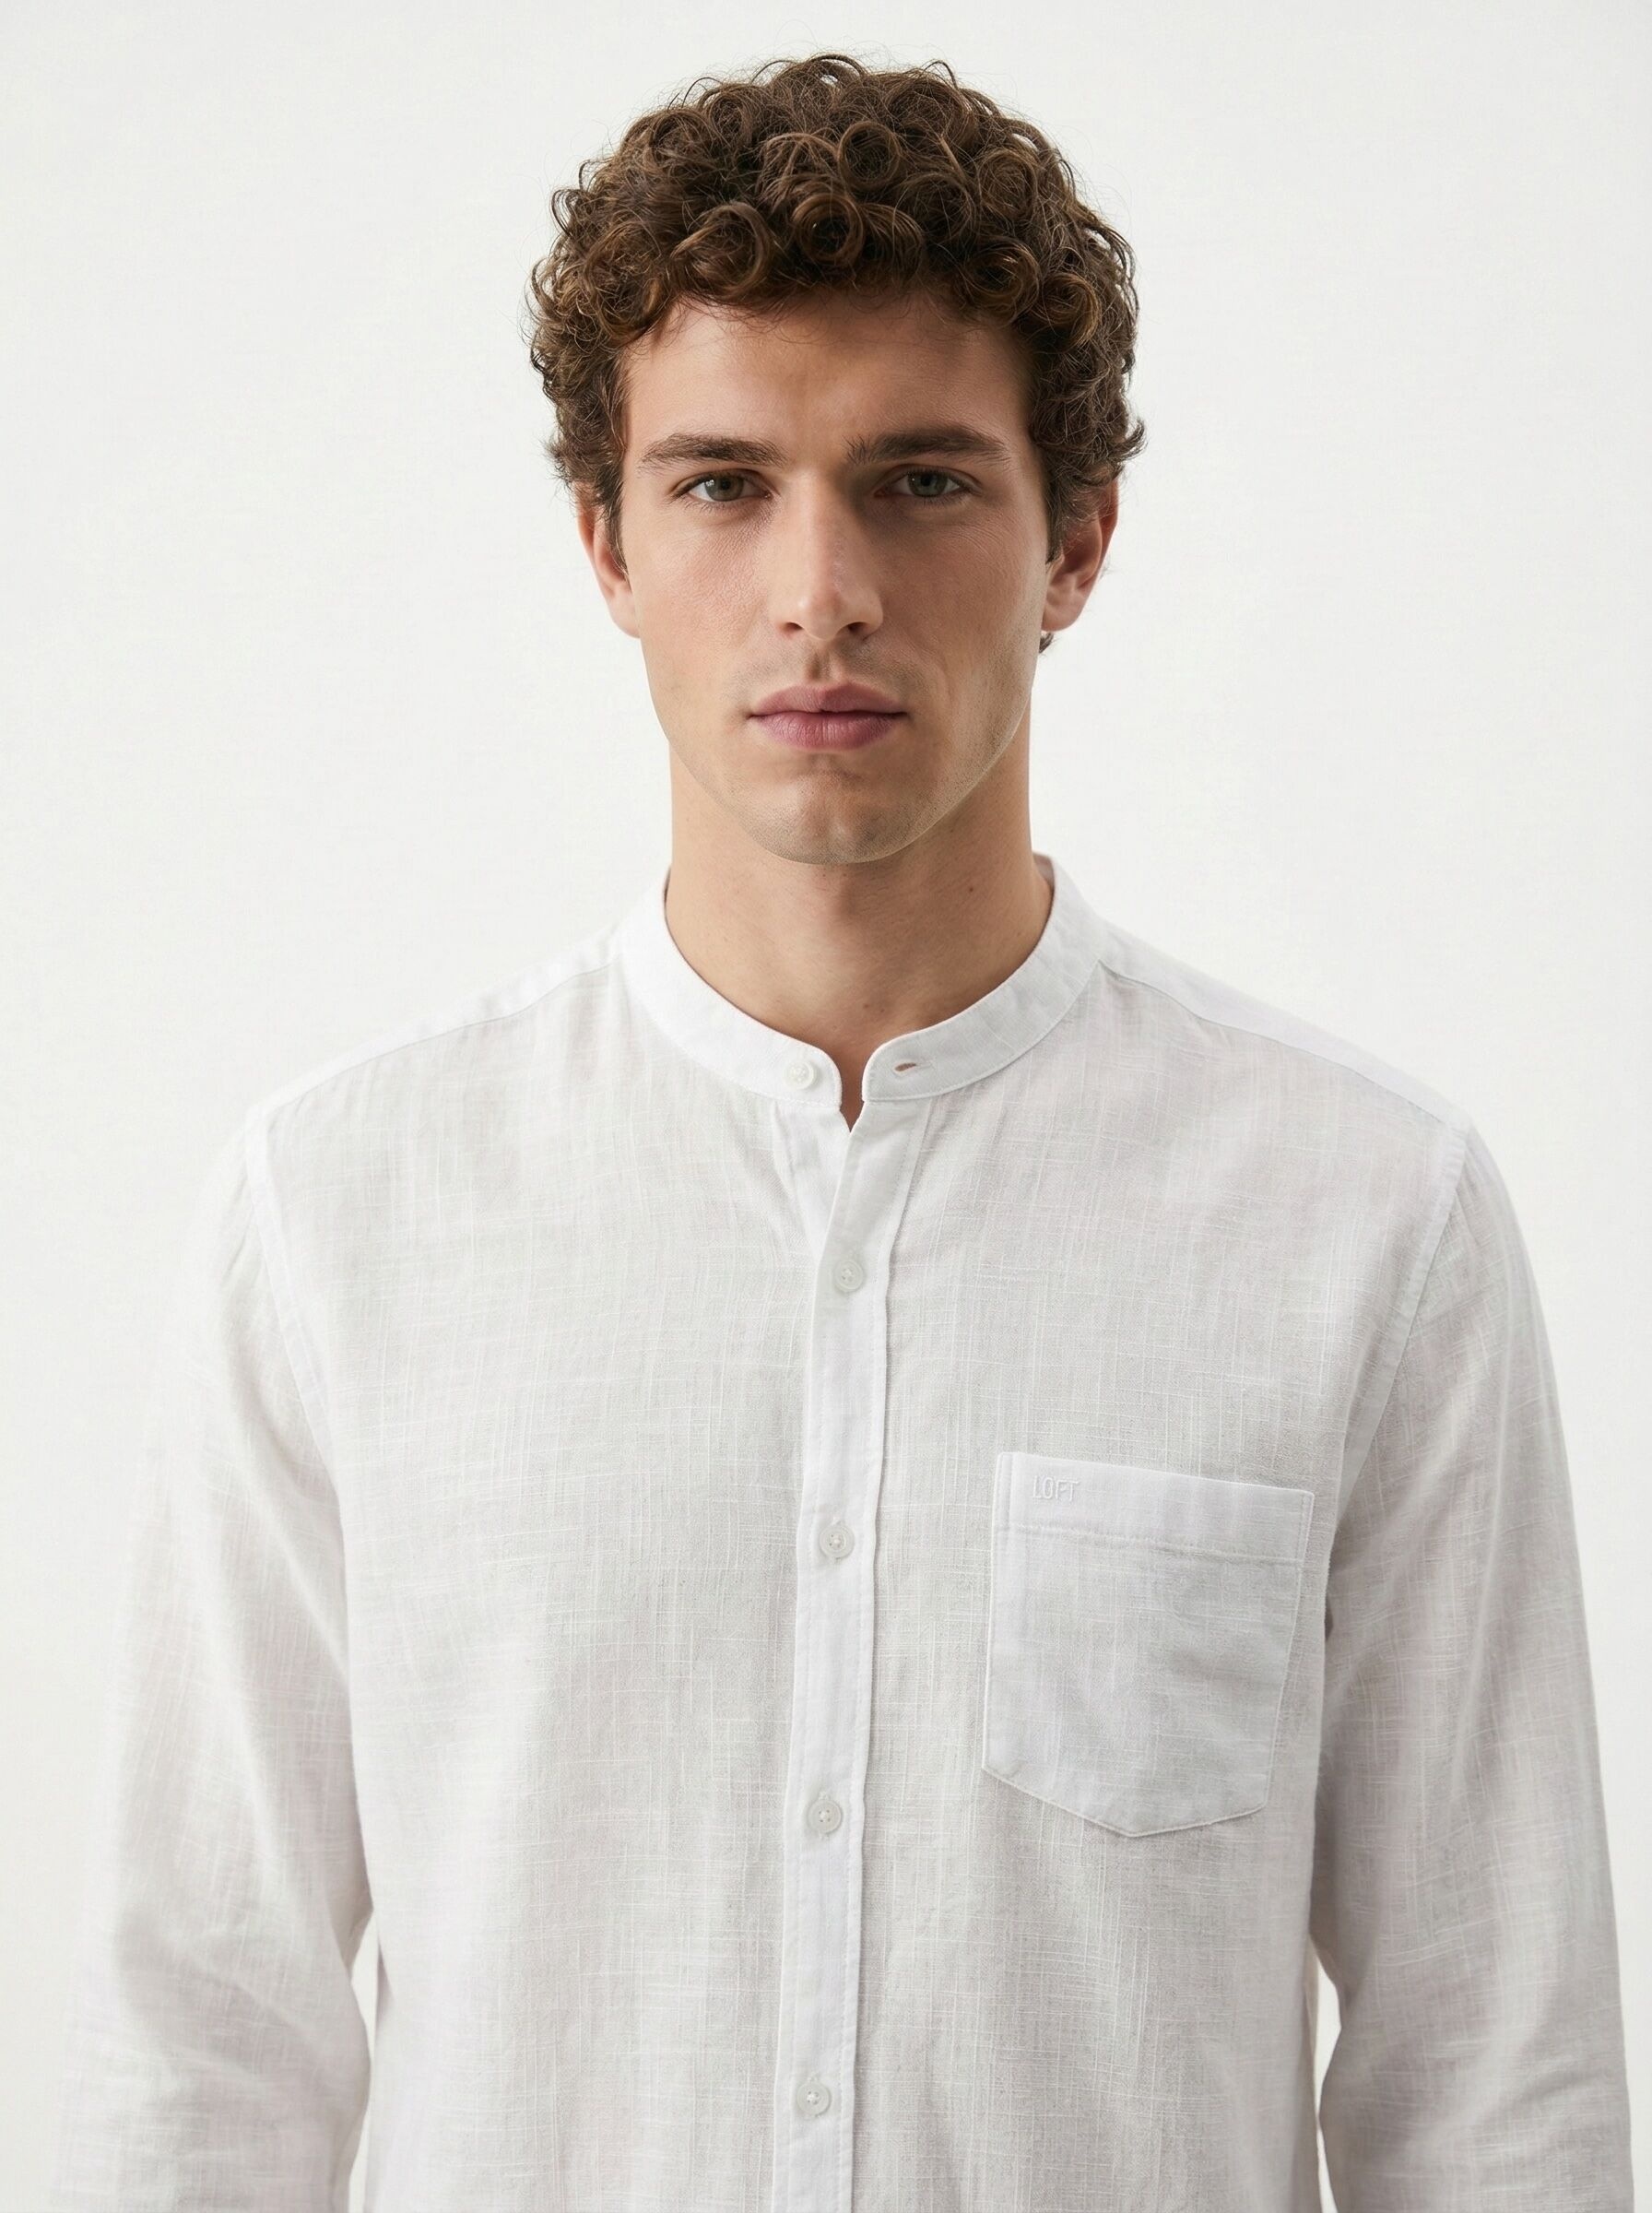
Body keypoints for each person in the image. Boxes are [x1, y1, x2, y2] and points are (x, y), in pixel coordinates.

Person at [47, 49, 1633, 2213]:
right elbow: (201, 2050)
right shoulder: (340, 1217)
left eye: (917, 482)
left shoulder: (1360, 1218)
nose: (822, 587)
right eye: (721, 483)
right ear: (604, 543)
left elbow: (1493, 2075)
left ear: (1075, 539)